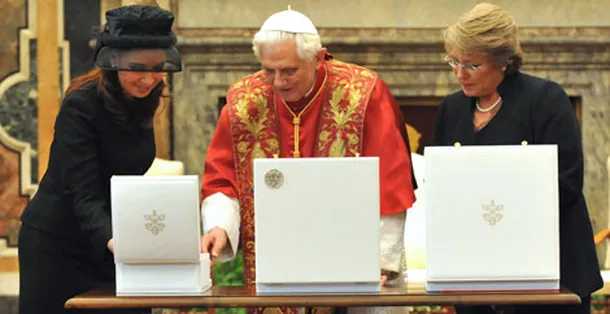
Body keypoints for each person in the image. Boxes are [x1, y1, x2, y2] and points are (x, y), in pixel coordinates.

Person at [199, 8, 416, 313]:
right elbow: (224, 178)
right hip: (275, 263)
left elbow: (389, 183)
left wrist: (379, 261)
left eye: (289, 71)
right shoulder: (243, 102)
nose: (277, 82)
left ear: (318, 58)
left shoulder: (363, 94)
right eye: (268, 70)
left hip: (354, 262)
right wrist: (219, 226)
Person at [433, 3, 602, 314]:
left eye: (471, 65)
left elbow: (566, 182)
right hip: (475, 275)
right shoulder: (451, 109)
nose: (459, 74)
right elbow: (440, 185)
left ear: (503, 62)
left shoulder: (546, 100)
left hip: (550, 278)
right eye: (453, 62)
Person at [18, 5, 181, 314]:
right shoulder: (81, 104)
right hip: (59, 247)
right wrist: (114, 239)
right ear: (114, 62)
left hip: (111, 242)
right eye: (138, 68)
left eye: (157, 67)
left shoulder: (147, 98)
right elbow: (84, 193)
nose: (149, 79)